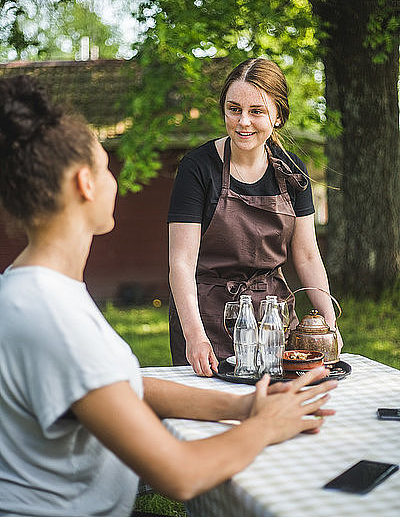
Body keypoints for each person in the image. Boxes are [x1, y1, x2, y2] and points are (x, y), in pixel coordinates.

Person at [0, 76, 337, 516]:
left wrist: (243, 404)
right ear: (85, 184)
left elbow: (119, 385)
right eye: (106, 167)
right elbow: (181, 475)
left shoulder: (39, 292)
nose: (114, 181)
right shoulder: (49, 316)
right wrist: (266, 425)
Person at [168, 58, 342, 376]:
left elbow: (306, 255)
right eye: (234, 109)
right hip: (207, 318)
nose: (243, 122)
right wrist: (195, 337)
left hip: (274, 318)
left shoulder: (293, 172)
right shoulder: (198, 168)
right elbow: (181, 262)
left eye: (256, 111)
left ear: (278, 116)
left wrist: (328, 322)